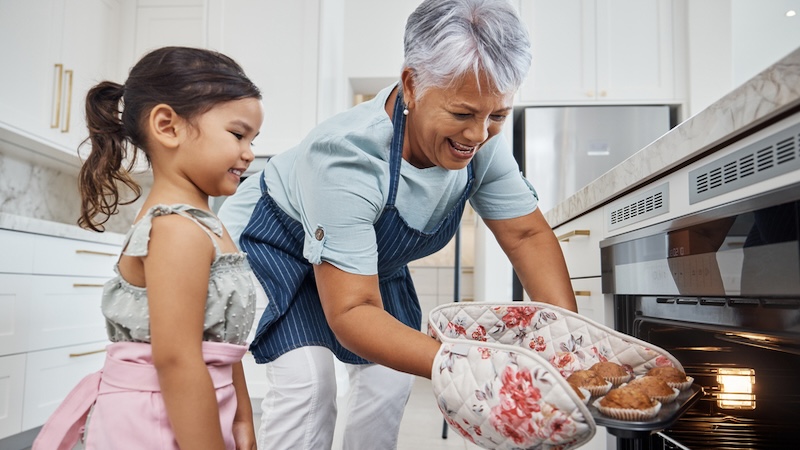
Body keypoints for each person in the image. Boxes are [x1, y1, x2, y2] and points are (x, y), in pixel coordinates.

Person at [219, 0, 578, 448]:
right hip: (279, 243)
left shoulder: (483, 146)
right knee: (309, 383)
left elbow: (526, 235)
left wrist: (571, 345)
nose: (478, 135)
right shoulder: (347, 157)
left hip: (364, 266)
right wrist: (469, 366)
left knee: (390, 376)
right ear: (411, 84)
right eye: (463, 114)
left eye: (498, 115)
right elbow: (351, 311)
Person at [33, 46, 264, 450]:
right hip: (156, 421)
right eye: (238, 134)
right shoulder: (177, 229)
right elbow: (176, 361)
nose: (249, 152)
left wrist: (243, 418)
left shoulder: (205, 226)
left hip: (200, 409)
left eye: (253, 138)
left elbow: (220, 343)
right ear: (167, 126)